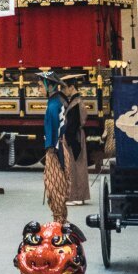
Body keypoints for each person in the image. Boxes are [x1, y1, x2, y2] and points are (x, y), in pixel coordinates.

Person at [41, 73, 69, 223]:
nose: (39, 89)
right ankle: (61, 218)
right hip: (60, 145)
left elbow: (54, 130)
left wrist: (51, 150)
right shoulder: (57, 101)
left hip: (55, 148)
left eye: (41, 86)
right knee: (58, 183)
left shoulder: (53, 105)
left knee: (54, 185)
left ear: (50, 86)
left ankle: (59, 221)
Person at [61, 75, 91, 205]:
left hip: (74, 137)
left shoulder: (75, 103)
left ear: (72, 87)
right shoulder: (76, 101)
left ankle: (75, 197)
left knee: (74, 166)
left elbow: (72, 125)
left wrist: (68, 140)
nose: (64, 91)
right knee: (79, 166)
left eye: (65, 88)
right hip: (77, 136)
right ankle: (80, 196)